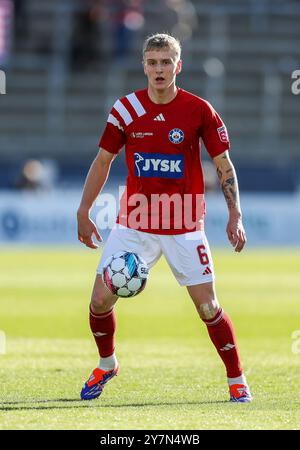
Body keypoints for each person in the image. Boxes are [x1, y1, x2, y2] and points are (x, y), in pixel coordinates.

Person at [77, 33, 252, 403]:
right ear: (143, 65)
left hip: (185, 226)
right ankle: (107, 364)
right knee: (98, 302)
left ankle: (236, 379)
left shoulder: (199, 110)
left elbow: (223, 164)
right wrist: (84, 209)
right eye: (153, 62)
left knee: (208, 307)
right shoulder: (125, 109)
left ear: (178, 65)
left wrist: (235, 214)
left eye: (166, 62)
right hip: (133, 225)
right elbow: (103, 161)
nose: (159, 69)